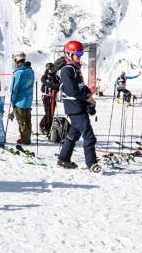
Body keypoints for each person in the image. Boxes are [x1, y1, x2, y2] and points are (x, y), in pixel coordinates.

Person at [56, 40, 100, 172]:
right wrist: (87, 98)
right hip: (74, 108)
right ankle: (92, 164)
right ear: (70, 54)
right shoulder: (67, 70)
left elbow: (81, 86)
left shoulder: (75, 69)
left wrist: (90, 99)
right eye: (78, 53)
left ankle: (63, 159)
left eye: (81, 53)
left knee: (73, 135)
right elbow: (72, 90)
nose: (80, 56)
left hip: (78, 106)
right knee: (89, 136)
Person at [8, 53, 34, 147]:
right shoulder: (30, 71)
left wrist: (12, 102)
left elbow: (14, 89)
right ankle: (27, 137)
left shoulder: (19, 73)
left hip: (20, 101)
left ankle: (25, 139)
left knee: (22, 121)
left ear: (17, 61)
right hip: (28, 100)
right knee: (27, 120)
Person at [39, 61, 60, 134]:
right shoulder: (45, 76)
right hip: (46, 96)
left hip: (53, 96)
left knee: (51, 113)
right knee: (48, 113)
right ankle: (45, 127)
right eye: (50, 69)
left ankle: (44, 125)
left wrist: (55, 87)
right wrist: (53, 86)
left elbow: (59, 86)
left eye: (53, 68)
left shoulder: (56, 77)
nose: (52, 70)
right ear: (47, 69)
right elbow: (45, 82)